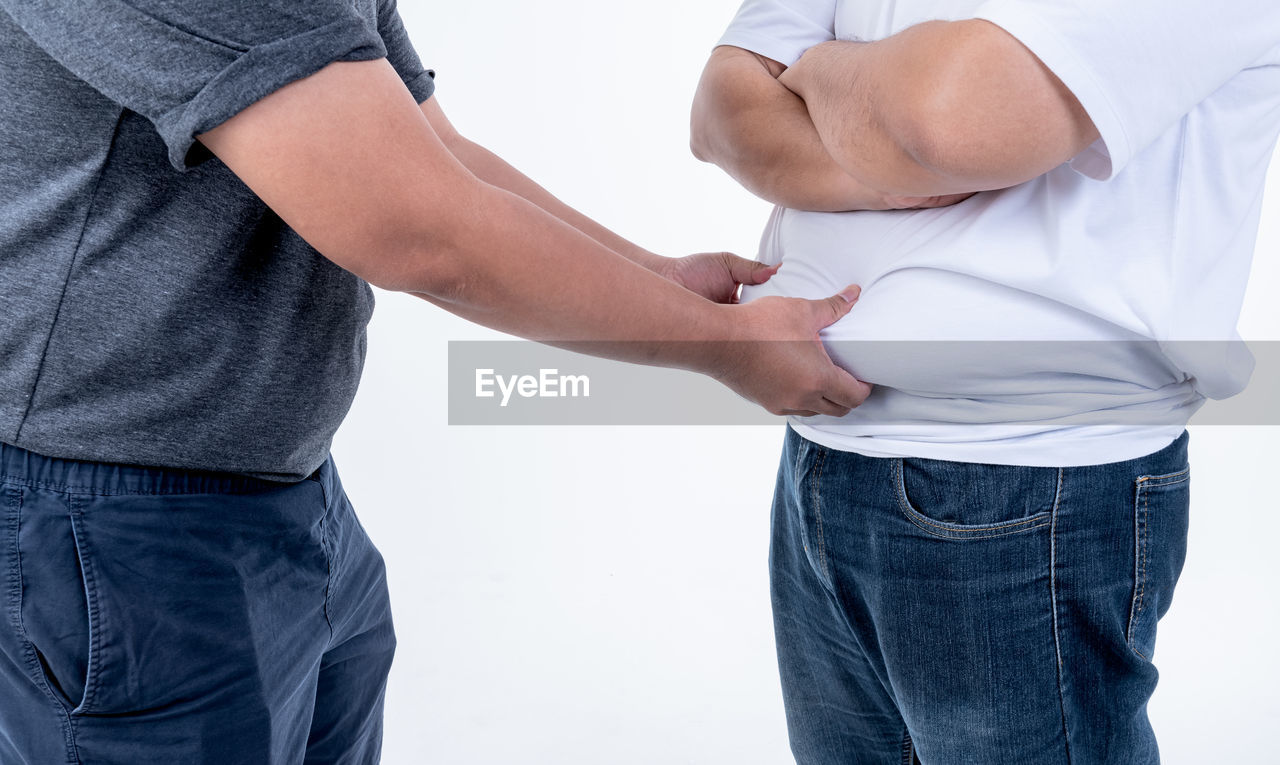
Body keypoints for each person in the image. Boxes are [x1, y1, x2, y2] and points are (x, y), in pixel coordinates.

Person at [0, 1, 875, 762]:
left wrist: (658, 280)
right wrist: (723, 346)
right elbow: (415, 226)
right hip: (112, 526)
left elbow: (433, 151)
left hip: (278, 496)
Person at [691, 0, 1280, 762]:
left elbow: (944, 122)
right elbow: (720, 112)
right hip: (820, 457)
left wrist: (818, 69)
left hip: (1032, 483)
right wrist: (885, 157)